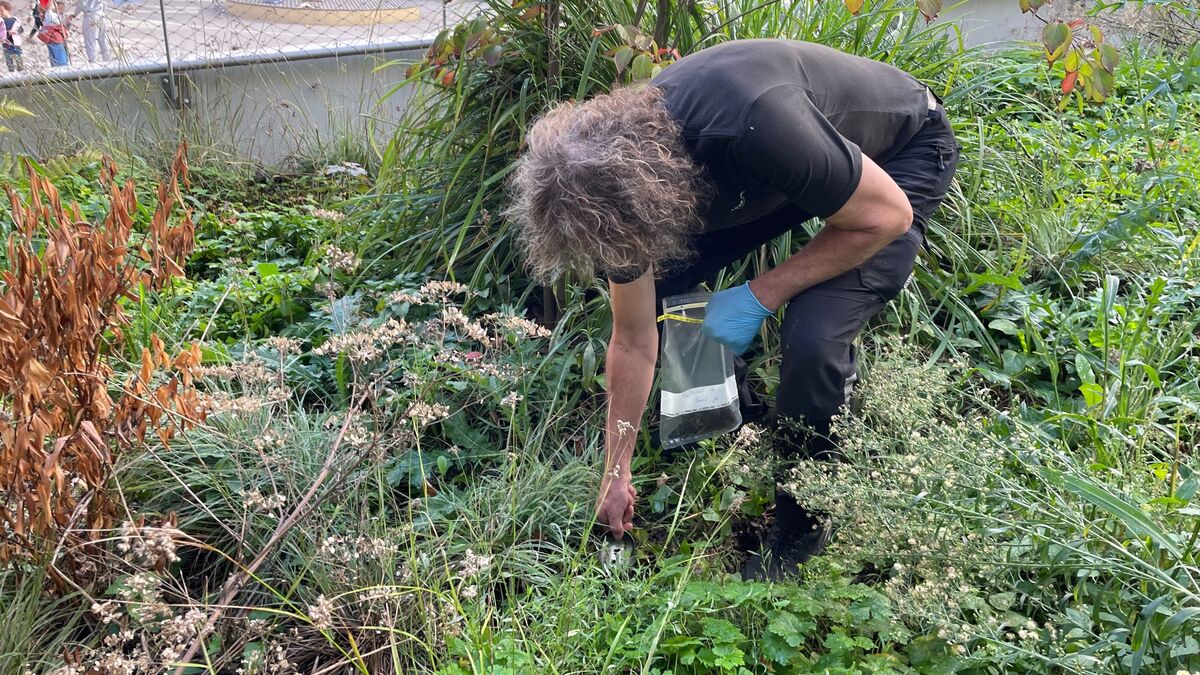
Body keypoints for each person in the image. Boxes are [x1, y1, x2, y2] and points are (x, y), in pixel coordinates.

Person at [506, 39, 960, 581]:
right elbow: (633, 340)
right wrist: (615, 467)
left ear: (650, 195)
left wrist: (758, 295)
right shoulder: (612, 187)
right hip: (785, 173)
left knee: (814, 335)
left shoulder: (755, 122)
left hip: (898, 159)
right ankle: (730, 425)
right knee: (667, 287)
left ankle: (803, 519)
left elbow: (885, 217)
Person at [38, 1, 68, 67]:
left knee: (53, 57)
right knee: (61, 57)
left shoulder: (44, 16)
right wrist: (66, 32)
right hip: (56, 38)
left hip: (49, 38)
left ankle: (55, 70)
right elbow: (58, 25)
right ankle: (64, 70)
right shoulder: (51, 15)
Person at [0, 2, 25, 72]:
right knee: (8, 59)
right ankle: (11, 72)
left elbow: (21, 29)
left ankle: (21, 71)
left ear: (7, 10)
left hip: (15, 43)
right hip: (6, 44)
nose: (0, 12)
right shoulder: (1, 21)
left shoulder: (14, 20)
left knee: (18, 57)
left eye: (2, 10)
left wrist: (15, 32)